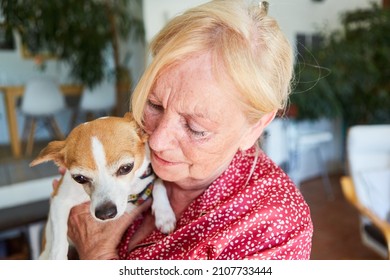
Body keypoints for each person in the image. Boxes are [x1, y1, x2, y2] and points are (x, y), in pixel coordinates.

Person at [65, 0, 313, 260]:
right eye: (154, 104)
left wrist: (97, 252)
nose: (157, 140)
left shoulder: (274, 226)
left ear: (255, 127)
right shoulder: (127, 153)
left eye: (196, 128)